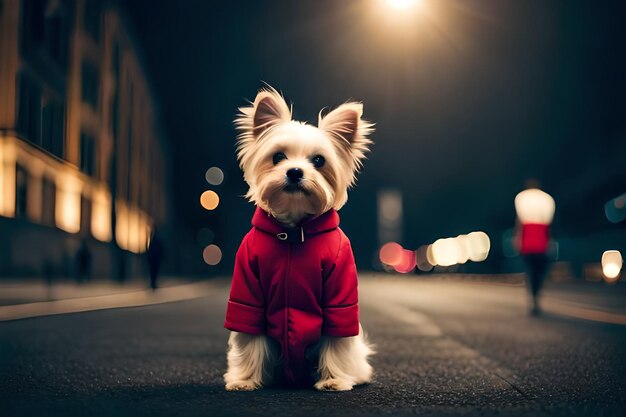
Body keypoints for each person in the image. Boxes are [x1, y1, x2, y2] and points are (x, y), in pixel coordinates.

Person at [514, 181, 555, 316]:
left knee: (531, 272)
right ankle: (535, 297)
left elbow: (519, 223)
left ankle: (533, 297)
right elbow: (549, 226)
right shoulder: (546, 200)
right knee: (539, 271)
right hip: (541, 241)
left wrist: (518, 240)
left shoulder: (523, 200)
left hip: (528, 242)